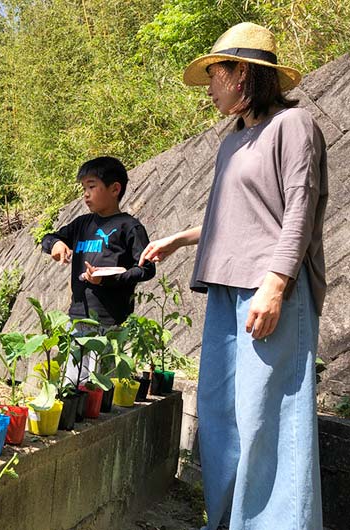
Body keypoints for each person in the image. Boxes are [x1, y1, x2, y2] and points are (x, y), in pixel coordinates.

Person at [139, 22, 327, 530]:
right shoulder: (233, 143)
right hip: (224, 288)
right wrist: (180, 238)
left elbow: (298, 212)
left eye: (214, 76)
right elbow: (236, 219)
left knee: (272, 418)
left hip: (270, 290)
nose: (210, 90)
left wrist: (277, 282)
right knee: (223, 416)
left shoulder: (294, 125)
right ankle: (225, 521)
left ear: (242, 73)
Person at [41, 156, 156, 383]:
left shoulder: (129, 227)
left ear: (115, 189)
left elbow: (146, 269)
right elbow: (48, 237)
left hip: (109, 321)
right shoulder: (82, 224)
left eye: (91, 186)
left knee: (101, 386)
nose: (85, 194)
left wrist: (107, 279)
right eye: (83, 188)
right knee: (71, 384)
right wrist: (54, 244)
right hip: (77, 317)